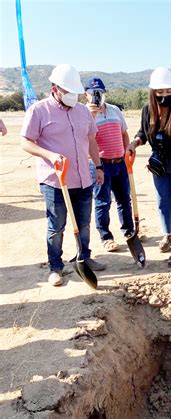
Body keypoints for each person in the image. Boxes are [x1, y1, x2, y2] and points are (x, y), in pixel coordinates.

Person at [20, 64, 106, 287]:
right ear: (55, 88)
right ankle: (55, 266)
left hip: (83, 179)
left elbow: (92, 141)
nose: (72, 96)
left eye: (74, 92)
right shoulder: (39, 111)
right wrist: (49, 154)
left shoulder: (83, 111)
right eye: (67, 91)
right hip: (55, 181)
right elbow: (25, 142)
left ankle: (83, 257)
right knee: (56, 225)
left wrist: (97, 167)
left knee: (84, 223)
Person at [128, 67, 171, 267]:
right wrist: (134, 143)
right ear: (153, 92)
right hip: (159, 163)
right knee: (162, 201)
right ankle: (169, 233)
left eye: (168, 91)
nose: (164, 95)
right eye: (160, 92)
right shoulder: (147, 110)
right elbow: (142, 133)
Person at [84, 77, 134, 252]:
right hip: (100, 165)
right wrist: (90, 117)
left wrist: (127, 150)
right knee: (103, 202)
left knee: (124, 200)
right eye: (93, 93)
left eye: (100, 93)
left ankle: (129, 231)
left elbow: (124, 133)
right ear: (86, 95)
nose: (97, 97)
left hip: (120, 162)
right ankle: (106, 237)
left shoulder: (115, 110)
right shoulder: (83, 114)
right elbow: (83, 140)